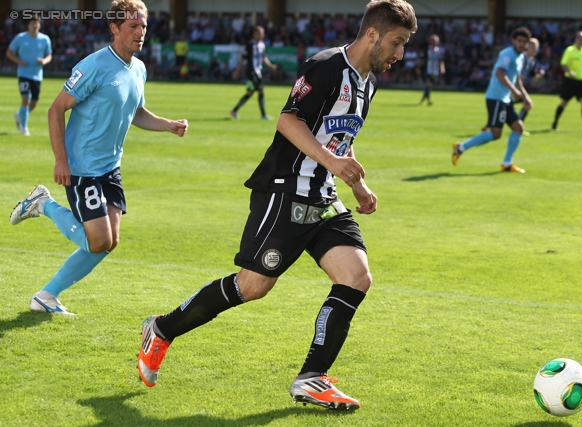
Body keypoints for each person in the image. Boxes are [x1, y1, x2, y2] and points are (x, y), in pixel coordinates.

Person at [138, 0, 418, 411]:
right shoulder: (324, 66)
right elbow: (288, 121)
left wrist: (358, 184)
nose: (400, 54)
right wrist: (333, 163)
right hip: (285, 191)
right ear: (373, 34)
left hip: (324, 197)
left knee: (356, 277)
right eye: (397, 42)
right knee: (253, 286)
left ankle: (312, 377)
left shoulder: (368, 83)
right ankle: (161, 328)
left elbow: (340, 137)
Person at [9, 0, 188, 316]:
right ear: (115, 28)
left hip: (110, 167)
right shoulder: (93, 65)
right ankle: (43, 204)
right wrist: (60, 160)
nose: (140, 32)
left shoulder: (139, 68)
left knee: (110, 241)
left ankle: (46, 296)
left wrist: (168, 125)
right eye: (133, 26)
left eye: (143, 26)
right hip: (83, 167)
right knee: (97, 241)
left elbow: (137, 112)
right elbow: (55, 109)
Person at [452, 27, 532, 174]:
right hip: (496, 97)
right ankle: (461, 147)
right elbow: (499, 73)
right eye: (519, 40)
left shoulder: (521, 57)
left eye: (524, 42)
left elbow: (517, 79)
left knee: (518, 128)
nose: (521, 44)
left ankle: (507, 164)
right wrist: (515, 91)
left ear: (527, 44)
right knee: (496, 133)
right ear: (514, 41)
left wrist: (525, 96)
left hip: (505, 99)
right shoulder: (508, 54)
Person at [6, 15, 52, 136]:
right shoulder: (20, 38)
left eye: (37, 22)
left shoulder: (45, 39)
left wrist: (44, 61)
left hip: (37, 75)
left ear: (40, 24)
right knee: (25, 98)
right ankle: (24, 128)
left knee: (34, 102)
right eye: (32, 22)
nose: (35, 25)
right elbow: (9, 53)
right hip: (24, 74)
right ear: (28, 25)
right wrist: (19, 61)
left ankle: (20, 115)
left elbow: (49, 55)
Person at [551, 31, 582, 132]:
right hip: (570, 81)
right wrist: (570, 72)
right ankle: (555, 123)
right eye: (580, 38)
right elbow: (563, 64)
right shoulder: (570, 50)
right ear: (576, 39)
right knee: (564, 102)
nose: (581, 40)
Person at [229, 26, 278, 120]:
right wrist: (237, 71)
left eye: (261, 33)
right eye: (258, 33)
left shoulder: (262, 45)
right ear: (254, 34)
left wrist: (270, 65)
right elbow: (243, 59)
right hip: (251, 72)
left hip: (258, 72)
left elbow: (263, 58)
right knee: (261, 91)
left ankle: (234, 110)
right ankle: (263, 115)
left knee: (250, 93)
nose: (259, 35)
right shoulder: (250, 45)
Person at [419, 34, 445, 105]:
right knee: (428, 84)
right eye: (433, 41)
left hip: (435, 71)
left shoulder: (439, 51)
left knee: (428, 86)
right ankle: (428, 100)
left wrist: (442, 68)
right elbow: (421, 58)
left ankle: (424, 100)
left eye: (435, 41)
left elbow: (441, 60)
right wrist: (418, 67)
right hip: (427, 70)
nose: (434, 42)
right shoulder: (427, 49)